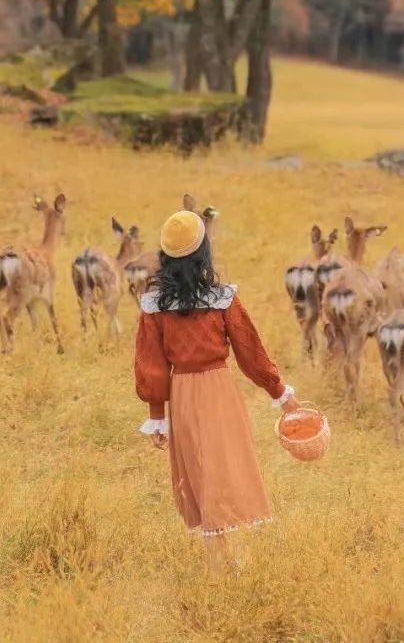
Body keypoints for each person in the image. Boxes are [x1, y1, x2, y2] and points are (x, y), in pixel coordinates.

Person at [134, 208, 294, 563]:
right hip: (219, 388)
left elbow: (152, 364)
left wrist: (157, 414)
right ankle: (224, 560)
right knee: (226, 464)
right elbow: (250, 352)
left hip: (183, 392)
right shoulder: (222, 298)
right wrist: (281, 393)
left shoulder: (156, 305)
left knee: (201, 467)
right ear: (204, 251)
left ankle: (219, 558)